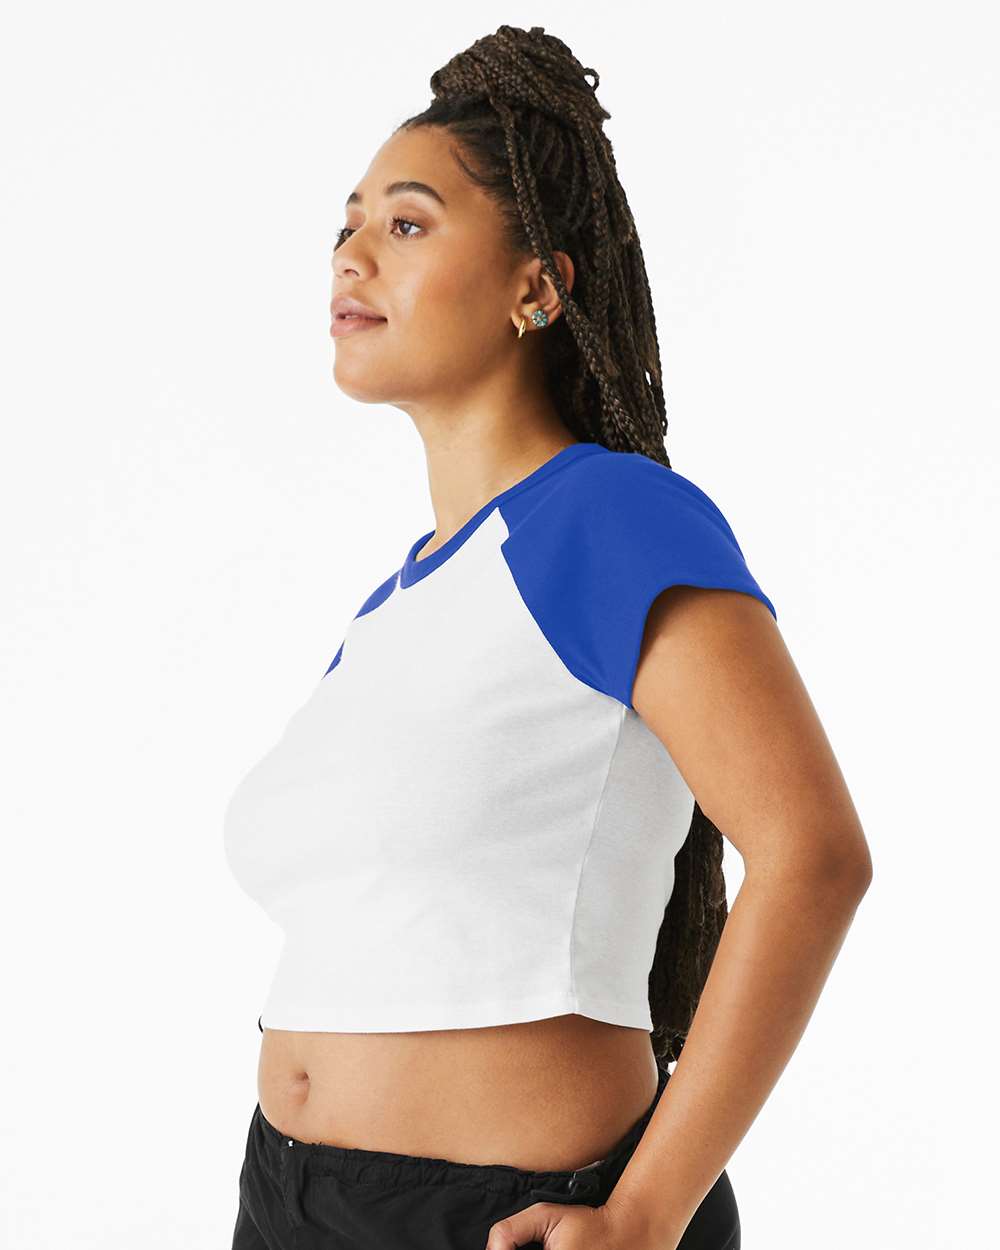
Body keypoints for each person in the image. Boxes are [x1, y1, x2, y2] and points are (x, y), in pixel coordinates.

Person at [224, 24, 872, 1250]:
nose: (352, 253)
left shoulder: (606, 514)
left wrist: (643, 1214)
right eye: (346, 225)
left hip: (518, 1216)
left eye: (406, 223)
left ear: (538, 286)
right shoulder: (398, 603)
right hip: (287, 1199)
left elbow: (812, 852)